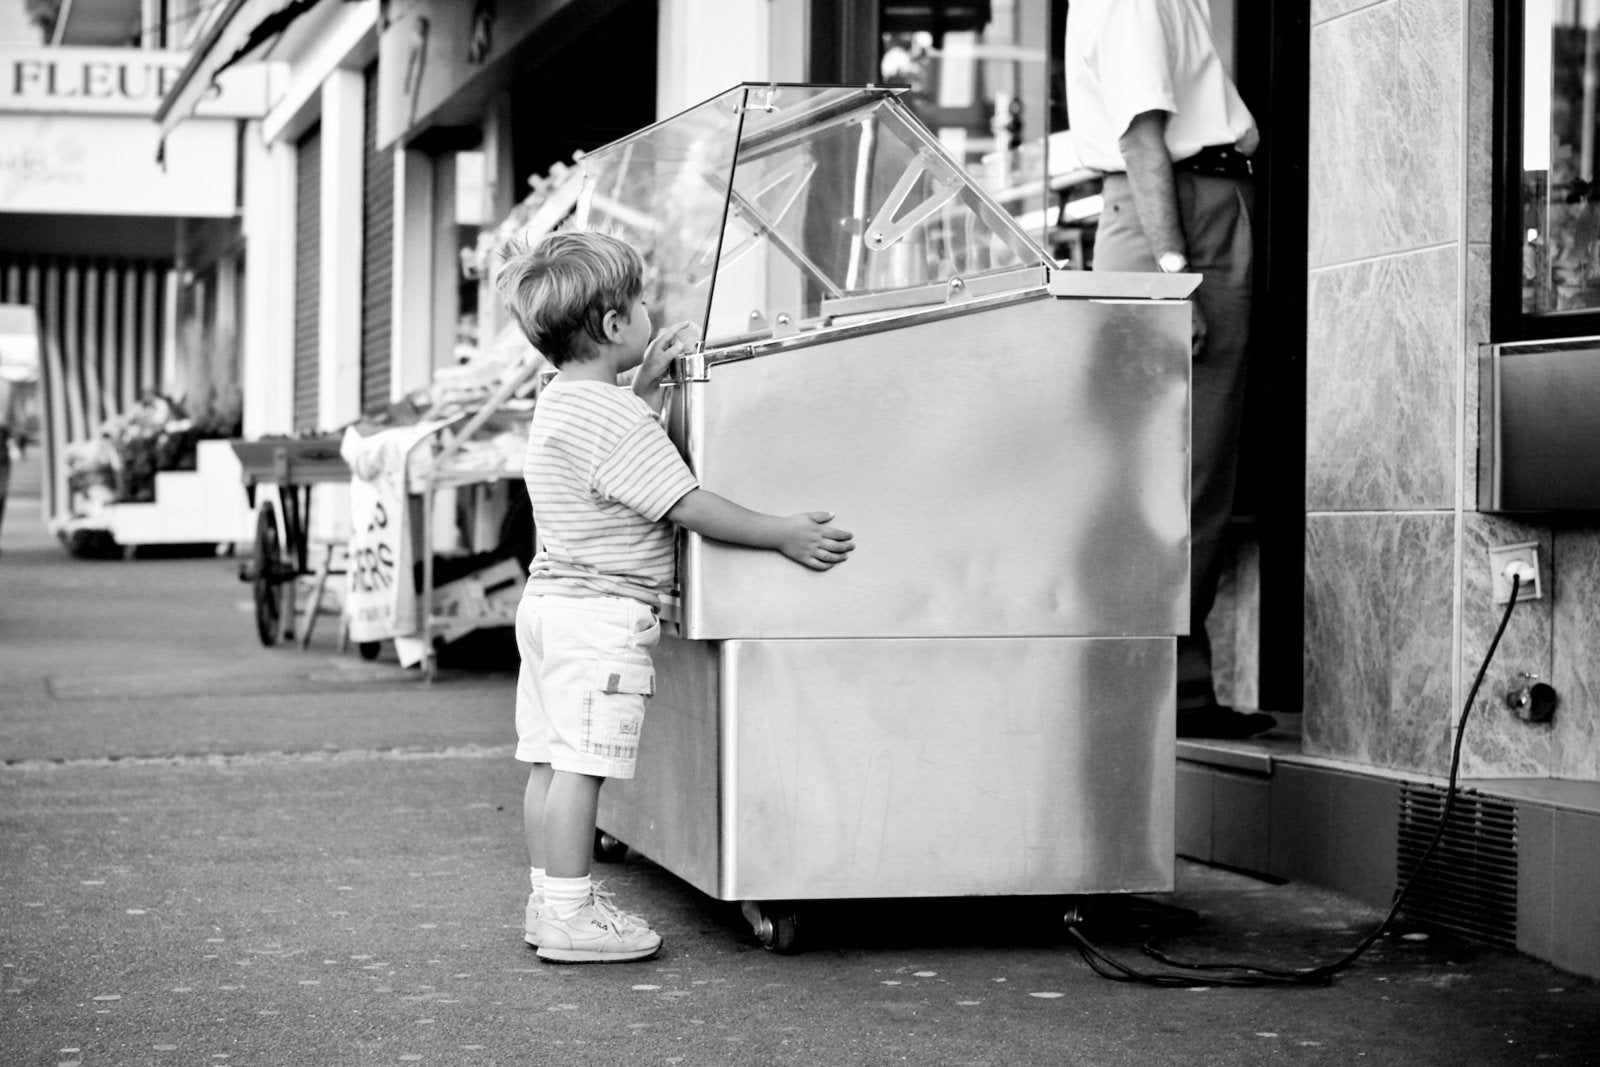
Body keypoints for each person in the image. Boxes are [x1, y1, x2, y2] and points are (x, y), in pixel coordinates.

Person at [494, 230, 855, 963]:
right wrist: (781, 532)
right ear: (613, 325)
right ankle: (570, 916)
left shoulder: (564, 400)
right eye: (638, 303)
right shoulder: (617, 419)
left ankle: (550, 900)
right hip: (599, 616)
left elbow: (607, 461)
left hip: (551, 607)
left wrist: (644, 390)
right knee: (582, 767)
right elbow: (685, 502)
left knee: (550, 762)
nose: (648, 312)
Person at [1065, 0, 1275, 739]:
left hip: (1187, 207)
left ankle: (1175, 688)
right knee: (1177, 469)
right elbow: (1141, 134)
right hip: (1177, 214)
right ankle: (1148, 693)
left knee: (1184, 469)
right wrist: (1172, 274)